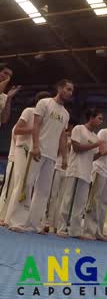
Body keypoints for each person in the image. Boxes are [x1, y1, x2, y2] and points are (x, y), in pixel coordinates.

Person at [5, 79, 72, 233]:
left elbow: (62, 137)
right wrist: (35, 145)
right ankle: (17, 221)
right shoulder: (44, 103)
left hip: (51, 156)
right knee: (26, 184)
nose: (69, 92)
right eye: (67, 89)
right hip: (37, 150)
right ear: (60, 88)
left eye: (71, 90)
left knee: (43, 191)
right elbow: (35, 125)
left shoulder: (66, 114)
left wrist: (65, 157)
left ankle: (33, 224)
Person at [0, 91, 50, 226]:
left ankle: (12, 217)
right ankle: (7, 217)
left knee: (25, 184)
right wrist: (33, 130)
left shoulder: (46, 119)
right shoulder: (29, 111)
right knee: (19, 184)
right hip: (22, 150)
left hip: (33, 152)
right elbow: (17, 131)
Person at [61, 108, 104, 239]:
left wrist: (102, 151)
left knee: (80, 203)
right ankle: (62, 228)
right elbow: (77, 148)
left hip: (86, 172)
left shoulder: (95, 137)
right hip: (74, 169)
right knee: (68, 199)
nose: (101, 121)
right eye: (99, 118)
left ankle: (75, 230)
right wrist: (95, 145)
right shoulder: (79, 129)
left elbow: (93, 157)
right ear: (91, 117)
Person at [45, 121, 72, 233]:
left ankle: (57, 224)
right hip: (58, 167)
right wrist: (64, 144)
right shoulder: (60, 137)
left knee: (62, 198)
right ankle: (48, 222)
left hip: (68, 170)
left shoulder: (75, 139)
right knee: (52, 196)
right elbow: (56, 152)